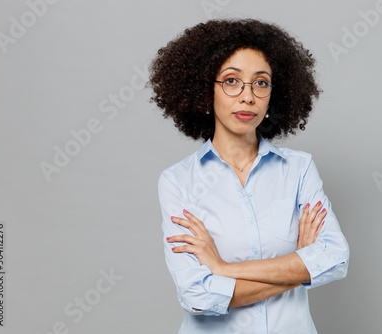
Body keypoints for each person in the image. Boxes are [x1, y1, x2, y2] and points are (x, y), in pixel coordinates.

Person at [149, 18, 350, 334]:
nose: (248, 96)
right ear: (205, 90)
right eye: (231, 81)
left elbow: (335, 259)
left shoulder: (299, 169)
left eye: (261, 82)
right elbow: (198, 295)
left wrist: (222, 269)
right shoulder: (178, 181)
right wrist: (299, 264)